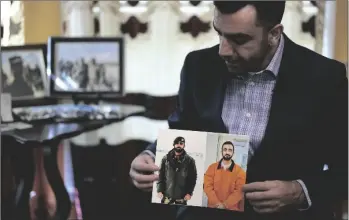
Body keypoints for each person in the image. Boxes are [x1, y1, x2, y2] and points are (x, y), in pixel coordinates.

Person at [129, 1, 347, 220]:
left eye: (239, 39)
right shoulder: (198, 65)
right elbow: (183, 132)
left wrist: (299, 191)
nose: (223, 50)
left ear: (273, 33)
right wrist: (149, 156)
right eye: (219, 34)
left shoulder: (325, 78)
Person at [204, 141, 246, 211]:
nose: (227, 152)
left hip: (231, 209)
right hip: (213, 207)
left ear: (233, 153)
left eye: (230, 150)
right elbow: (207, 186)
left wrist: (225, 205)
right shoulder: (211, 167)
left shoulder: (240, 172)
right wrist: (217, 203)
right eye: (225, 149)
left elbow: (239, 192)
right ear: (221, 152)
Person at [157, 137, 197, 205]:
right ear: (173, 144)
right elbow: (161, 176)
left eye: (181, 143)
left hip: (181, 198)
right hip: (166, 197)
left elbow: (192, 178)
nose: (179, 145)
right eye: (177, 143)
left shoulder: (190, 161)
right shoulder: (165, 159)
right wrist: (160, 190)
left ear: (184, 145)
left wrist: (189, 193)